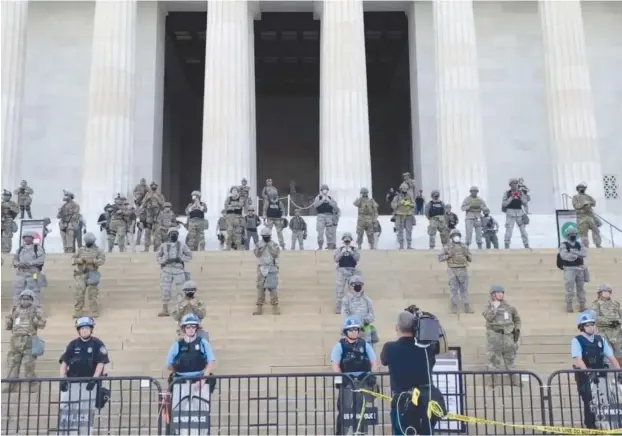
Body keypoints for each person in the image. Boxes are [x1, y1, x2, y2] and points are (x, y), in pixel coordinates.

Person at [380, 311, 446, 435]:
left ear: (396, 327)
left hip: (402, 402)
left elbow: (384, 360)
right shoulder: (426, 348)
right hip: (426, 400)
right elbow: (441, 347)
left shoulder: (389, 348)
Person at [572, 311, 620, 429]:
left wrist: (619, 371)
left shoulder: (600, 340)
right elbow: (579, 360)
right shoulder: (577, 340)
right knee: (590, 403)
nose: (590, 327)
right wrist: (589, 372)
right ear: (581, 327)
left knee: (605, 402)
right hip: (586, 377)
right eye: (587, 325)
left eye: (592, 324)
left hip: (601, 376)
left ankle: (605, 427)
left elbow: (611, 357)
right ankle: (591, 427)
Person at [330, 317, 377, 435]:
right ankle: (341, 433)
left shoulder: (365, 345)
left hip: (362, 381)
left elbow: (374, 363)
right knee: (343, 410)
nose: (354, 332)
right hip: (347, 382)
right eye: (350, 330)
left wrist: (372, 375)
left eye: (356, 329)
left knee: (362, 410)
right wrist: (341, 378)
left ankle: (362, 432)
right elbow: (335, 365)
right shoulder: (339, 346)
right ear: (345, 332)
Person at [3, 289, 47, 393]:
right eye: (23, 298)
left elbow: (42, 324)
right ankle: (11, 384)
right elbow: (8, 326)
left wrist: (35, 319)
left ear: (31, 300)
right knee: (12, 363)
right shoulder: (15, 310)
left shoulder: (36, 310)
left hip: (29, 340)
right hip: (15, 340)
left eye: (27, 299)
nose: (25, 301)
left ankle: (33, 383)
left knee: (29, 364)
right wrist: (9, 320)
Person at [483, 285, 522, 386]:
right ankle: (492, 382)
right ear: (493, 294)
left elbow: (517, 319)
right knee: (494, 361)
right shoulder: (488, 306)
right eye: (498, 292)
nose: (501, 294)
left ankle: (515, 381)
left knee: (510, 360)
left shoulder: (509, 307)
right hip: (495, 336)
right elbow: (488, 318)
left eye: (502, 292)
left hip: (507, 336)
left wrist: (516, 329)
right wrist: (494, 308)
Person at [59, 317, 110, 392]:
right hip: (73, 383)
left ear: (91, 329)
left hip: (91, 384)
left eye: (87, 328)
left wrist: (94, 380)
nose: (85, 330)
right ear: (78, 330)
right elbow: (64, 363)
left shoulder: (97, 343)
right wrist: (63, 379)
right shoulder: (73, 344)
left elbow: (101, 363)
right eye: (82, 328)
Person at [157, 227, 192, 317]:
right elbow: (158, 257)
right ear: (168, 235)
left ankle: (181, 310)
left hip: (178, 269)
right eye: (172, 233)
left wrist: (180, 258)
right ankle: (165, 309)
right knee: (166, 289)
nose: (174, 235)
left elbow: (189, 256)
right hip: (167, 269)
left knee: (181, 290)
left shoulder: (182, 245)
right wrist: (164, 261)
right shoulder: (163, 246)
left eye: (175, 233)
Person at [72, 232, 106, 318]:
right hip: (81, 274)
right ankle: (78, 311)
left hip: (92, 273)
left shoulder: (98, 250)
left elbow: (102, 260)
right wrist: (80, 260)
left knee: (93, 294)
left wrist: (93, 261)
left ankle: (94, 310)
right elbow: (73, 259)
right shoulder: (80, 250)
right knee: (79, 293)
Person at [439, 229, 473, 314]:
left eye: (457, 235)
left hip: (463, 269)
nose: (456, 237)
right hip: (452, 270)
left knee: (464, 289)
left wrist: (466, 254)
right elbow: (440, 258)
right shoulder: (447, 247)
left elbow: (470, 259)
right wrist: (448, 255)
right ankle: (453, 306)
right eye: (454, 235)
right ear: (451, 237)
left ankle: (467, 306)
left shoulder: (464, 246)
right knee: (453, 289)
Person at [341, 275, 377, 346]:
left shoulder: (367, 300)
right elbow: (345, 314)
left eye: (359, 284)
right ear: (350, 285)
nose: (357, 286)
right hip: (351, 332)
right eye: (354, 284)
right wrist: (355, 322)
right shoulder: (346, 300)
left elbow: (372, 315)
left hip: (365, 332)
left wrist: (363, 320)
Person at [13, 230, 46, 307]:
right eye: (25, 238)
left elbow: (41, 259)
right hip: (21, 272)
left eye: (29, 237)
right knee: (18, 290)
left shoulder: (37, 248)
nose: (27, 239)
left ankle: (36, 308)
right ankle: (17, 308)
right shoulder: (20, 249)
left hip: (33, 273)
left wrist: (30, 263)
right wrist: (18, 264)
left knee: (34, 290)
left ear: (32, 239)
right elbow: (15, 259)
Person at [591, 284, 622, 367]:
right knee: (605, 354)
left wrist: (618, 322)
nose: (607, 293)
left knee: (619, 353)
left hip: (617, 332)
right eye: (605, 291)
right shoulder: (596, 304)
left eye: (608, 291)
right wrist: (610, 322)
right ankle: (606, 371)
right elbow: (595, 318)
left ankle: (619, 373)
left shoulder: (616, 303)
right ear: (600, 293)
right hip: (603, 332)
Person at [559, 227, 588, 313]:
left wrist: (573, 253)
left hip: (579, 268)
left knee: (581, 288)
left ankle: (582, 305)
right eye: (571, 234)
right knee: (569, 288)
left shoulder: (579, 244)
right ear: (568, 235)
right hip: (569, 269)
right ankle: (569, 305)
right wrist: (576, 255)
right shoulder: (564, 244)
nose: (573, 236)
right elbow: (564, 256)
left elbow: (584, 253)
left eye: (574, 234)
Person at [253, 227, 281, 315]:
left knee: (273, 288)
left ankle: (275, 307)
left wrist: (269, 247)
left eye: (267, 236)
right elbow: (257, 254)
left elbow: (276, 254)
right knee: (260, 288)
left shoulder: (274, 244)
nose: (266, 237)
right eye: (264, 236)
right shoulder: (258, 244)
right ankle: (259, 308)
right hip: (262, 268)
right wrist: (262, 248)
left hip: (272, 268)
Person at [333, 233, 361, 314]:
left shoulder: (354, 249)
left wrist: (351, 252)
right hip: (342, 271)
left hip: (352, 271)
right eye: (345, 241)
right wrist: (342, 252)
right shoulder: (339, 249)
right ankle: (338, 308)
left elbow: (357, 258)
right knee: (339, 291)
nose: (347, 243)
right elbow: (335, 259)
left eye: (348, 241)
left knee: (353, 290)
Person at [501, 178, 530, 249]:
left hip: (519, 213)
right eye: (513, 183)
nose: (515, 185)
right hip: (510, 214)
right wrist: (511, 197)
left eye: (516, 183)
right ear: (510, 185)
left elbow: (525, 202)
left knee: (523, 231)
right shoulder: (507, 193)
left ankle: (526, 245)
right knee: (509, 231)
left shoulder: (520, 192)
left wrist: (520, 196)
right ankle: (507, 246)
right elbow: (504, 204)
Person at [572, 182, 602, 248]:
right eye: (580, 188)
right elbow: (575, 205)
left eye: (583, 188)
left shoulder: (588, 196)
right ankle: (585, 246)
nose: (582, 189)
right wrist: (584, 204)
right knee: (583, 232)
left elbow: (594, 202)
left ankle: (598, 244)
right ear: (578, 189)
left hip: (590, 216)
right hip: (581, 217)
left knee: (596, 230)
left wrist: (589, 203)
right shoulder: (575, 197)